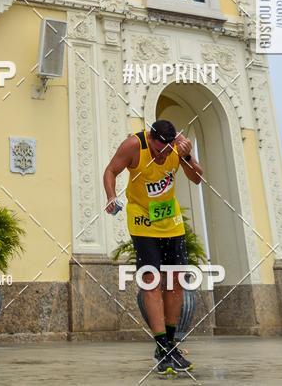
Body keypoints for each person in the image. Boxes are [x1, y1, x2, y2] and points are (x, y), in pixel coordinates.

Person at [103, 120, 204, 376]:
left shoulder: (177, 149)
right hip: (142, 220)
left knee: (176, 281)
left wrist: (188, 157)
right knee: (151, 280)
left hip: (171, 222)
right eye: (159, 150)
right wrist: (111, 197)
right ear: (151, 138)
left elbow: (197, 179)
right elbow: (110, 171)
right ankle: (162, 347)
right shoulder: (134, 145)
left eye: (167, 150)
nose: (162, 155)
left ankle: (169, 346)